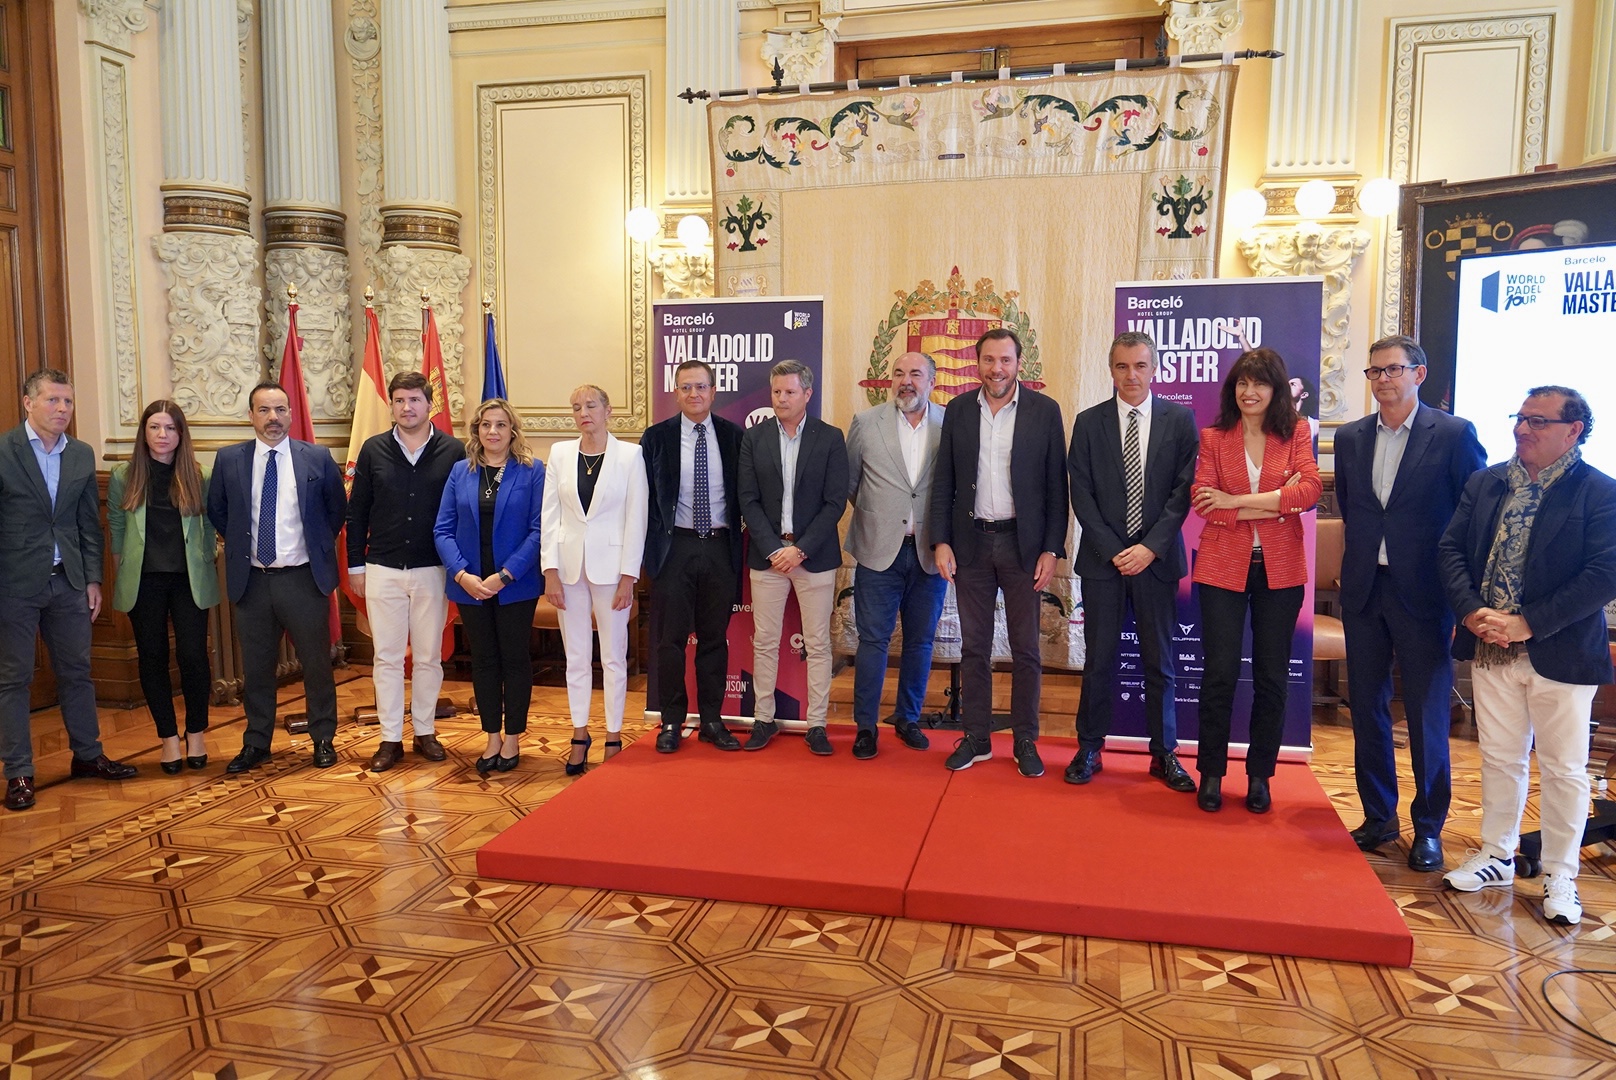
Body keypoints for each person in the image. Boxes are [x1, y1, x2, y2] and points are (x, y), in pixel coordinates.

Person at [1438, 386, 1616, 926]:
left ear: (1573, 430)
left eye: (1538, 421)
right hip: (1490, 647)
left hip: (1561, 650)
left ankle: (1561, 873)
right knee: (1499, 758)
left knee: (1563, 768)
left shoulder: (1598, 491)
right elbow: (1450, 549)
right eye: (1520, 418)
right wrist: (1471, 610)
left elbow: (1603, 574)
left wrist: (1528, 623)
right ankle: (1497, 854)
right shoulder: (1486, 482)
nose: (1522, 429)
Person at [1334, 336, 1486, 871]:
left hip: (1425, 593)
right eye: (1374, 371)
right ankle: (1379, 817)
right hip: (1363, 589)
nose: (1383, 380)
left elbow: (1472, 517)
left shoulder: (1454, 434)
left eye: (1393, 370)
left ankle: (1428, 828)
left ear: (1418, 374)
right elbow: (1352, 507)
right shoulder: (1350, 437)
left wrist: (1464, 597)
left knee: (1425, 713)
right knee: (1366, 708)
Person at [930, 329, 1068, 777]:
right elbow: (944, 481)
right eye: (989, 360)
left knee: (1026, 648)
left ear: (1018, 363)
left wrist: (1051, 549)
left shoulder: (1044, 411)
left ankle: (1025, 739)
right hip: (970, 544)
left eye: (1005, 360)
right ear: (978, 363)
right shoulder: (958, 410)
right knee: (974, 647)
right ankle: (977, 737)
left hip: (1023, 546)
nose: (997, 369)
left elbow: (1056, 488)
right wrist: (941, 540)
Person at [1064, 332, 1199, 792]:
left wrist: (1149, 547)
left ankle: (1164, 754)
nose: (1131, 375)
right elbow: (1081, 493)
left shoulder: (1180, 420)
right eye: (1122, 366)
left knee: (1160, 662)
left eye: (1140, 366)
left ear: (1154, 369)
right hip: (1104, 562)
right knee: (1098, 659)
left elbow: (1183, 491)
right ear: (1111, 370)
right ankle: (1089, 747)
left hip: (1156, 561)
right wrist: (1114, 549)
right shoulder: (1089, 422)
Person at [1189, 349, 1321, 814]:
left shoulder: (1296, 432)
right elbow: (1204, 502)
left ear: (1276, 389)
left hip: (1281, 569)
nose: (1250, 392)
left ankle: (1260, 775)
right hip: (1221, 566)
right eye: (1243, 383)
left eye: (1260, 383)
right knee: (1219, 673)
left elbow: (1310, 491)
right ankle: (1210, 773)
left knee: (1271, 676)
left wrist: (1236, 501)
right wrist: (1276, 503)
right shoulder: (1213, 437)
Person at [0, 369, 138, 811]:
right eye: (53, 400)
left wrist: (93, 579)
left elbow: (87, 524)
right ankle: (19, 772)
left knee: (78, 672)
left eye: (68, 402)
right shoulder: (4, 451)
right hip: (14, 585)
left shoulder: (80, 454)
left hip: (69, 582)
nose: (62, 409)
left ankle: (88, 755)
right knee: (14, 679)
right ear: (28, 402)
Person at [209, 382, 347, 772]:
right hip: (252, 580)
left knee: (316, 665)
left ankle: (323, 738)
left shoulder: (316, 458)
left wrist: (313, 548)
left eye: (280, 409)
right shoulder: (229, 460)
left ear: (291, 414)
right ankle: (257, 742)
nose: (273, 418)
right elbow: (219, 511)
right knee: (256, 669)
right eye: (264, 410)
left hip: (303, 579)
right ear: (251, 415)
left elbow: (336, 511)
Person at [346, 371, 467, 773]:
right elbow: (357, 511)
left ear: (429, 404)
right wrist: (355, 565)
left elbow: (461, 513)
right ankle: (390, 738)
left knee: (429, 656)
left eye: (414, 400)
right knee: (387, 658)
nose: (406, 407)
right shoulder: (373, 449)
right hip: (382, 568)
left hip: (434, 569)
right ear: (392, 405)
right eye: (399, 400)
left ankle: (425, 731)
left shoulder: (453, 450)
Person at [739, 360, 848, 755]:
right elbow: (747, 499)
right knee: (765, 642)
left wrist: (800, 549)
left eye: (789, 392)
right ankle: (763, 719)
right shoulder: (755, 438)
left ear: (807, 394)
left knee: (818, 644)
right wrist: (774, 549)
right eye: (776, 392)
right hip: (768, 556)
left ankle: (816, 724)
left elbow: (835, 502)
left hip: (813, 556)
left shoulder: (830, 437)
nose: (781, 399)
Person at [844, 351, 948, 759]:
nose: (906, 381)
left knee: (920, 641)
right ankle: (865, 727)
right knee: (873, 641)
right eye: (899, 373)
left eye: (916, 374)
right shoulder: (866, 423)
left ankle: (907, 719)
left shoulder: (949, 424)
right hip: (877, 550)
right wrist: (882, 518)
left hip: (929, 553)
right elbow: (850, 484)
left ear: (932, 382)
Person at [108, 400, 220, 774]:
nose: (162, 435)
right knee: (152, 656)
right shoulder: (124, 476)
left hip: (189, 580)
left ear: (181, 434)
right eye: (154, 427)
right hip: (144, 581)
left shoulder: (199, 475)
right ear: (144, 433)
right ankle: (168, 738)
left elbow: (209, 524)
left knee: (193, 656)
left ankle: (196, 734)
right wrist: (122, 569)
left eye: (170, 428)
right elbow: (117, 528)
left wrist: (207, 555)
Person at [541, 385, 647, 774]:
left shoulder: (630, 456)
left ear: (608, 410)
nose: (583, 412)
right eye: (576, 407)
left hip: (612, 570)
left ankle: (614, 734)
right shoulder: (560, 454)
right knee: (576, 657)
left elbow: (636, 519)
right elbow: (550, 516)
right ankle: (579, 733)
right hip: (568, 570)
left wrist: (629, 577)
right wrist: (550, 571)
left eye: (590, 405)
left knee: (614, 656)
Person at [435, 398, 544, 774]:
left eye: (500, 425)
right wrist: (462, 574)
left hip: (515, 584)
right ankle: (492, 736)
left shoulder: (532, 471)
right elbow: (442, 529)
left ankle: (513, 737)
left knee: (514, 659)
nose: (492, 431)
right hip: (471, 585)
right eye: (485, 425)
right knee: (483, 661)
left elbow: (538, 530)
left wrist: (506, 574)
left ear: (512, 430)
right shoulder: (460, 471)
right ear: (476, 431)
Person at [641, 360, 744, 753]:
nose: (694, 394)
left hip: (720, 546)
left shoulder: (734, 437)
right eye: (686, 387)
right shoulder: (656, 438)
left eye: (701, 386)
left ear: (713, 392)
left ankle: (712, 721)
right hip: (674, 548)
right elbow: (643, 500)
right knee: (670, 640)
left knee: (714, 639)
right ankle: (671, 720)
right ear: (676, 392)